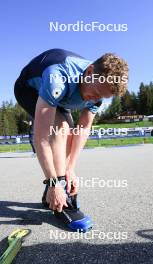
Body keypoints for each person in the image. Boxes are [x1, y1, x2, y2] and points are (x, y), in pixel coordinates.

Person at [14, 48, 128, 232]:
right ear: (90, 72)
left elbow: (83, 129)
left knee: (68, 133)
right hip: (29, 89)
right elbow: (41, 138)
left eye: (102, 97)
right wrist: (53, 183)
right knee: (61, 128)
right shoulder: (57, 77)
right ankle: (59, 195)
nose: (96, 99)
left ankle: (55, 191)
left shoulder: (98, 88)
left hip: (63, 95)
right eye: (96, 92)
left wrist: (70, 169)